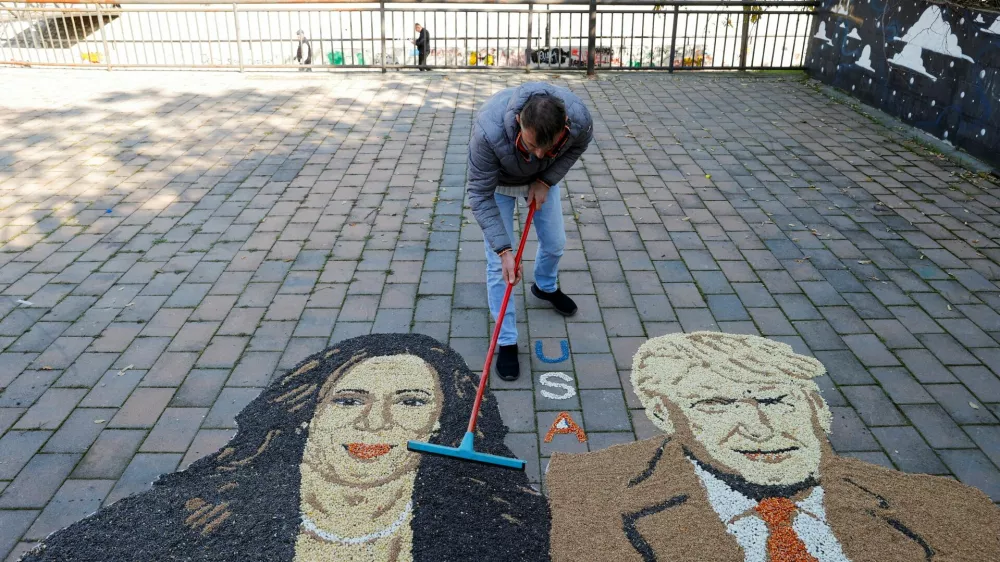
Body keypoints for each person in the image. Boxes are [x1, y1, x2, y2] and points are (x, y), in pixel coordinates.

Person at [21, 334, 550, 562]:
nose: (376, 422)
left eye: (409, 401)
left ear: (441, 424)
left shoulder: (509, 528)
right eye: (347, 400)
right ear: (307, 416)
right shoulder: (186, 519)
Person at [547, 331, 1000, 561]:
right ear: (666, 417)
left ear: (816, 406)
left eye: (775, 400)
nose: (760, 428)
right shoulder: (589, 490)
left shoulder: (945, 506)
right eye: (717, 405)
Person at [467, 82, 593, 381]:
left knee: (555, 243)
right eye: (531, 145)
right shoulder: (488, 132)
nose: (538, 154)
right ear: (518, 123)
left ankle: (544, 286)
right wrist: (504, 249)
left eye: (547, 149)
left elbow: (576, 148)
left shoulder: (580, 120)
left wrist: (546, 179)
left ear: (565, 127)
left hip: (541, 183)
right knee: (501, 269)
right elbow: (479, 194)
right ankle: (506, 340)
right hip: (496, 186)